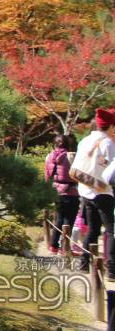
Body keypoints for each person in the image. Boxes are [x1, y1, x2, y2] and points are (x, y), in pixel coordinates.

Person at [77, 107, 115, 276]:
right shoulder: (108, 143)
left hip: (85, 190)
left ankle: (84, 262)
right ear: (111, 126)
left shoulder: (84, 141)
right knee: (111, 230)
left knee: (92, 228)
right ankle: (112, 270)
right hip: (103, 191)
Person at [46, 134, 80, 254]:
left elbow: (47, 176)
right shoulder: (70, 156)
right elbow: (76, 175)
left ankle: (53, 246)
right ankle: (64, 247)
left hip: (56, 191)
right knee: (69, 221)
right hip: (71, 191)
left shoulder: (49, 156)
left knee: (59, 218)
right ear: (68, 144)